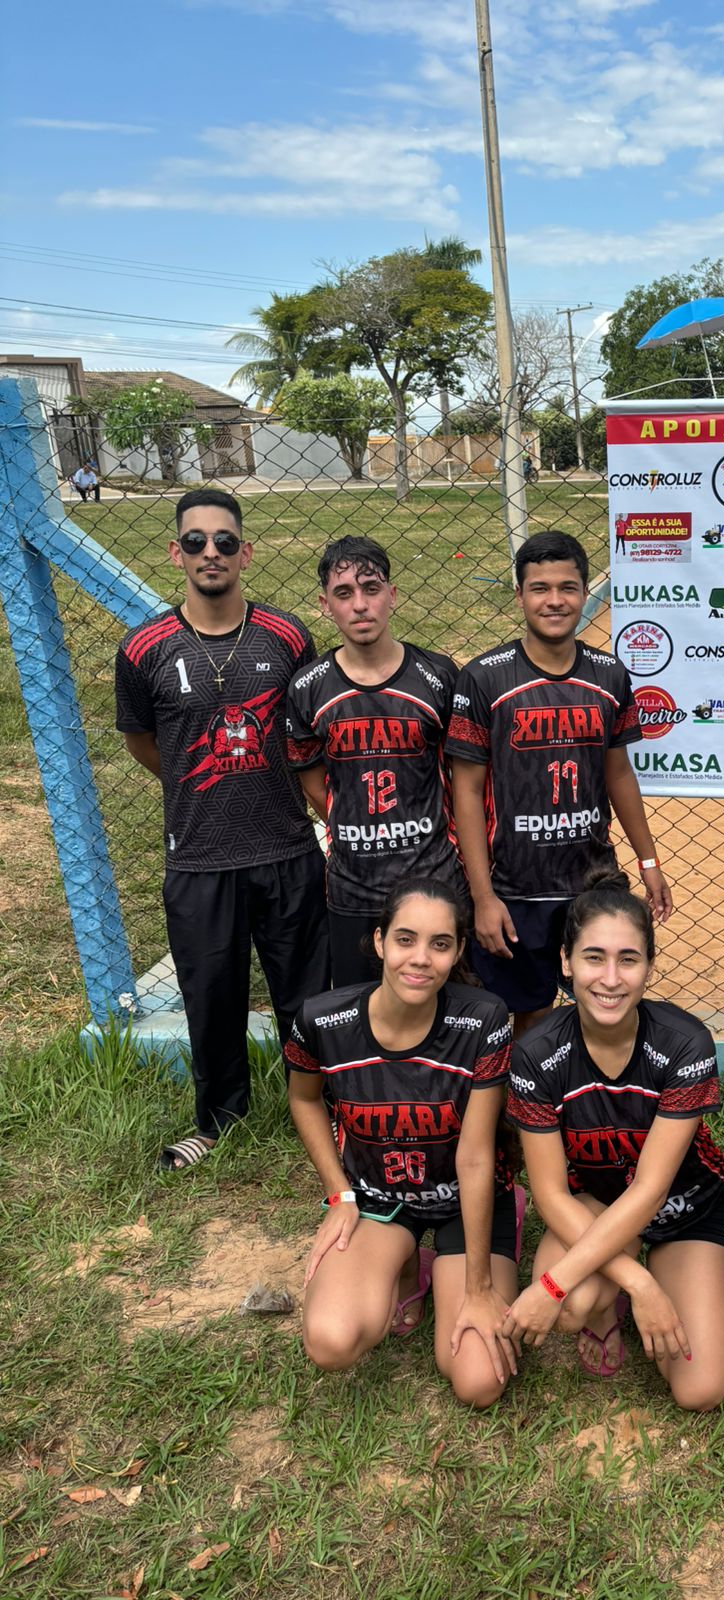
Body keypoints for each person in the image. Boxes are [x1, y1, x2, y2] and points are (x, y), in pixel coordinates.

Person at [115, 487, 329, 1170]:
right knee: (211, 996)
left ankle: (320, 1107)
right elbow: (144, 742)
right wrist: (195, 781)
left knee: (307, 994)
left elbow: (307, 732)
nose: (212, 552)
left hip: (286, 846)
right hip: (200, 855)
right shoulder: (144, 648)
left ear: (246, 553)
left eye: (225, 541)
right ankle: (217, 1118)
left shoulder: (287, 636)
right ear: (175, 552)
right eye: (197, 541)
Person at [503, 871, 724, 1410]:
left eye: (628, 959)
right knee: (572, 1306)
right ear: (566, 961)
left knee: (700, 1389)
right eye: (594, 957)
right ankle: (609, 1308)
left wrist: (550, 1283)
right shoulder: (536, 1054)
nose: (610, 978)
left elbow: (652, 1190)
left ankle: (669, 1272)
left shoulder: (685, 1043)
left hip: (685, 1207)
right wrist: (639, 1284)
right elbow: (551, 1194)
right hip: (594, 1203)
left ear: (649, 967)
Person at [285, 878, 520, 1408]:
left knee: (478, 1381)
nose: (420, 959)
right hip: (378, 1198)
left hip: (464, 1198)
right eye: (405, 939)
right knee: (330, 1341)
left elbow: (475, 1156)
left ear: (458, 951)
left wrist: (480, 1288)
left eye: (440, 944)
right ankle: (408, 1263)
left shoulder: (483, 1021)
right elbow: (304, 1099)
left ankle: (484, 1244)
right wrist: (339, 1193)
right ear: (379, 941)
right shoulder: (322, 1020)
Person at [447, 529, 671, 1036]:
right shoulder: (485, 678)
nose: (554, 600)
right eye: (540, 588)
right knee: (527, 1012)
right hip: (515, 886)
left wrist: (649, 861)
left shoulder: (609, 675)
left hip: (591, 879)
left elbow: (618, 772)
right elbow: (466, 790)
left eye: (568, 587)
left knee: (605, 996)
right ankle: (528, 1089)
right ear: (519, 595)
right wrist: (483, 896)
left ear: (586, 592)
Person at [286, 535, 464, 986]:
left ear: (392, 595)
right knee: (360, 1006)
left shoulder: (438, 676)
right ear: (325, 605)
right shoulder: (308, 687)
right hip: (354, 886)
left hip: (434, 876)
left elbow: (462, 775)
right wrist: (350, 821)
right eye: (344, 593)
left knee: (443, 1001)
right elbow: (311, 778)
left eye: (371, 589)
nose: (360, 605)